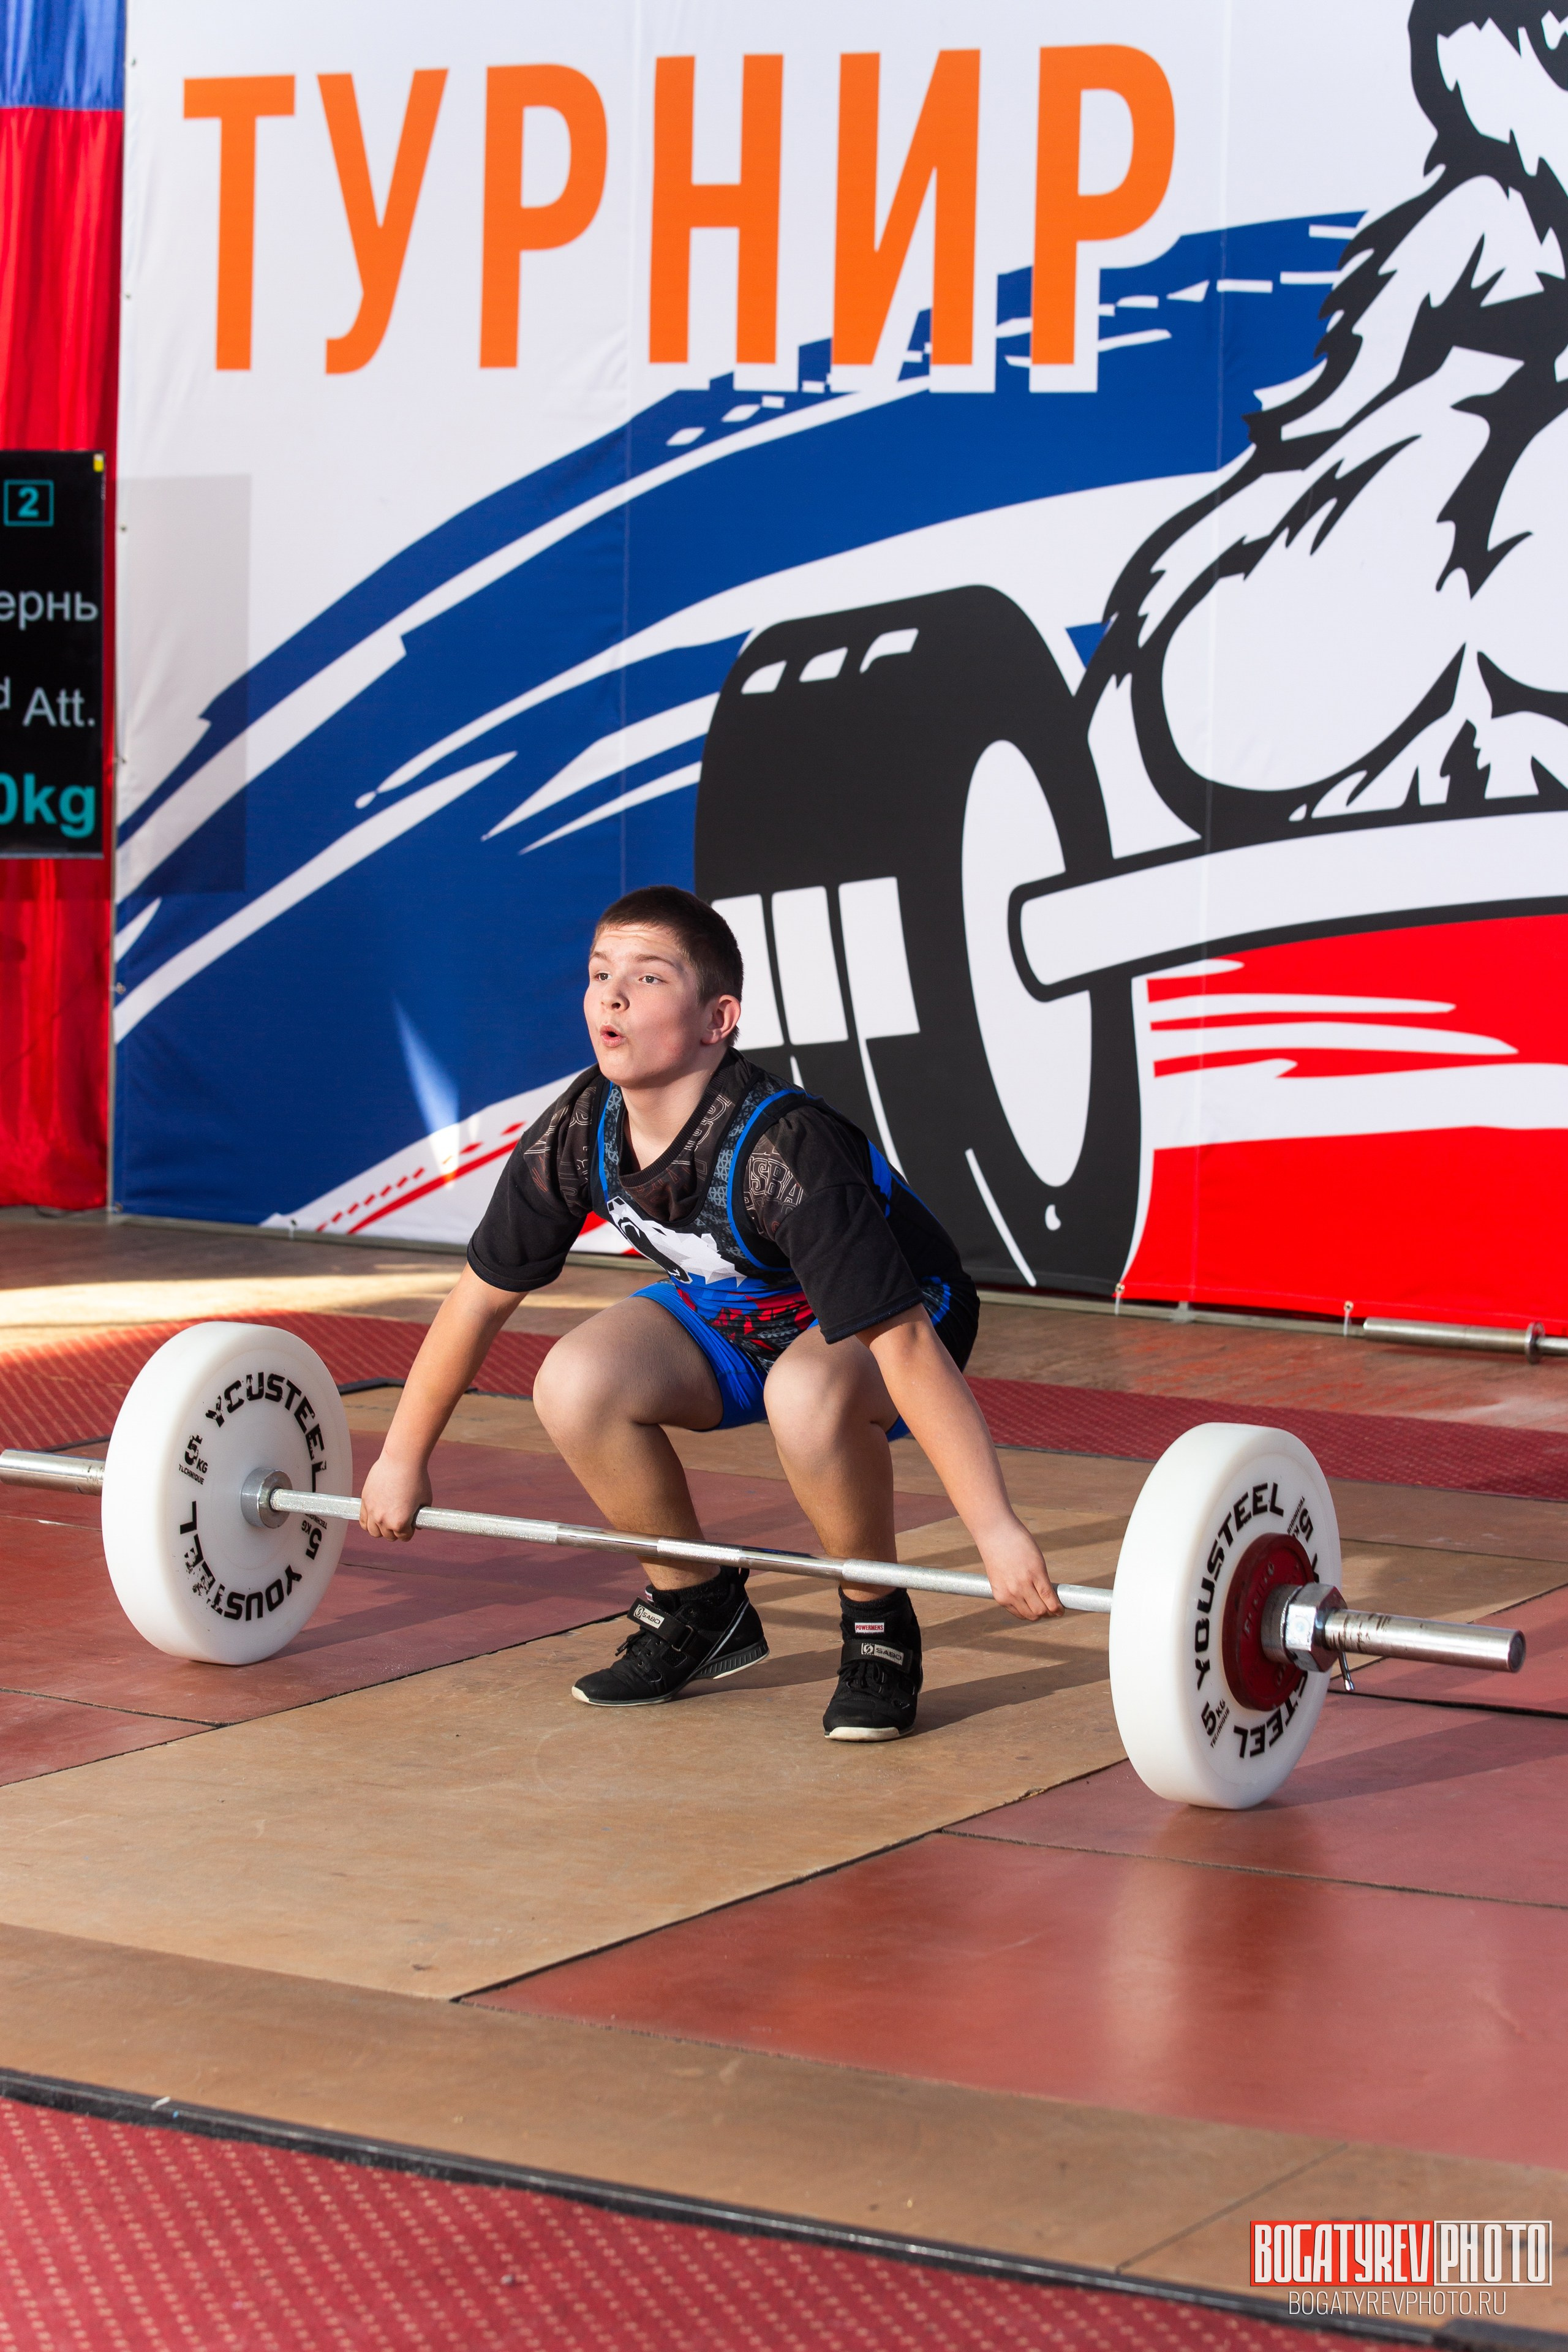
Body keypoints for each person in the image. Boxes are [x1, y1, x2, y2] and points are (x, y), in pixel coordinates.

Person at [359, 885, 1061, 1739]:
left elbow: (905, 1344)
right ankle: (699, 1604)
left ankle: (878, 1621)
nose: (612, 996)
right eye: (599, 973)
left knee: (803, 1395)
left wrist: (995, 1529)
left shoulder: (784, 1149)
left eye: (648, 979)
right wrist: (402, 1458)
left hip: (907, 1312)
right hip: (743, 1310)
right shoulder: (580, 1128)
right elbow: (477, 1302)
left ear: (716, 1018)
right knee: (574, 1381)